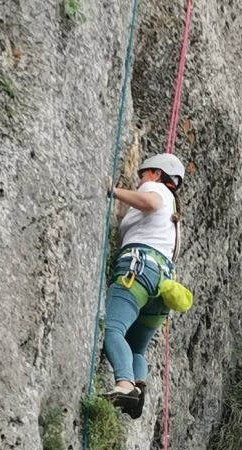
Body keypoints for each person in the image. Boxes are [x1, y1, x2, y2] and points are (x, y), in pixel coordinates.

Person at [102, 152, 186, 418]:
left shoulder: (156, 188)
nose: (139, 181)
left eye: (143, 174)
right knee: (136, 348)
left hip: (138, 268)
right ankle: (138, 387)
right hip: (161, 286)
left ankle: (125, 384)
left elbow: (149, 202)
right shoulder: (174, 216)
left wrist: (112, 191)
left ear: (156, 174)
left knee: (113, 329)